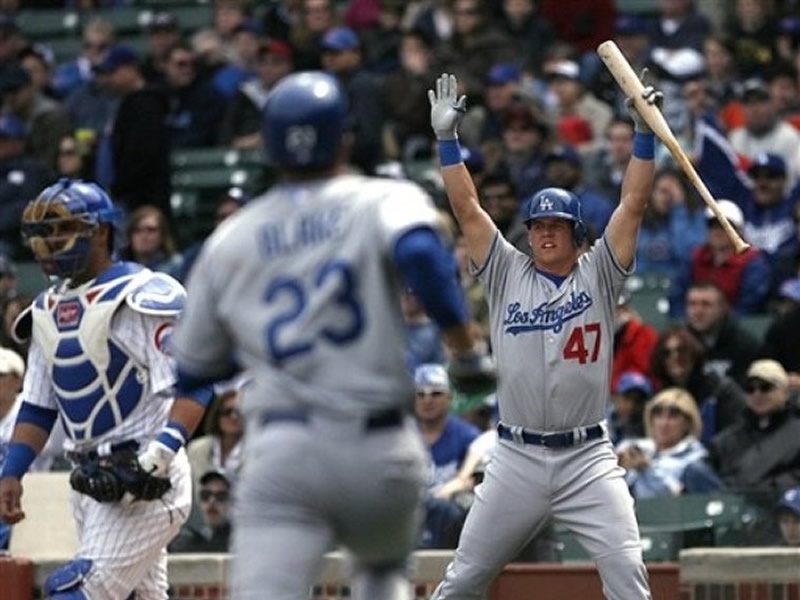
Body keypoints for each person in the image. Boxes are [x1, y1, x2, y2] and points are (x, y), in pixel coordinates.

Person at [168, 71, 488, 600]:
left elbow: (195, 367)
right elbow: (425, 261)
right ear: (344, 137)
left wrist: (255, 345)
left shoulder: (232, 236)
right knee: (382, 577)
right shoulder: (384, 198)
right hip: (378, 445)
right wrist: (463, 347)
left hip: (283, 447)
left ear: (268, 149)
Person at [426, 71, 661, 599]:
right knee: (462, 581)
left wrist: (643, 136)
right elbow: (468, 208)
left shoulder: (599, 272)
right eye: (537, 225)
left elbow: (633, 205)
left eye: (557, 225)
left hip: (588, 457)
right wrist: (447, 143)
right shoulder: (506, 271)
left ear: (579, 236)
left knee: (629, 580)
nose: (545, 231)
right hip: (515, 456)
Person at [0, 179, 214, 598]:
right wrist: (12, 471)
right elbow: (39, 407)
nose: (50, 243)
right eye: (44, 233)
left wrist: (160, 453)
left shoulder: (142, 295)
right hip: (90, 483)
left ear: (100, 231)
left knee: (73, 592)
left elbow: (194, 383)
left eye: (62, 230)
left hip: (147, 481)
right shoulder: (46, 309)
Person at [616, 387, 724, 500]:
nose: (664, 423)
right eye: (658, 415)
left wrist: (647, 469)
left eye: (673, 416)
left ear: (688, 422)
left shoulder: (696, 459)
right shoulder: (635, 448)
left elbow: (676, 502)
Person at [169, 469, 233, 553]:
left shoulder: (238, 541)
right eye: (205, 495)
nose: (212, 502)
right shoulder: (189, 540)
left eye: (221, 496)